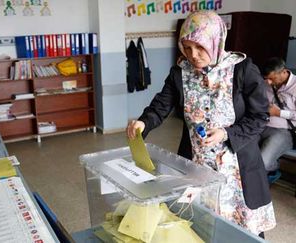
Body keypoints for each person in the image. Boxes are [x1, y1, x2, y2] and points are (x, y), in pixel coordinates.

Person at [126, 11, 276, 237]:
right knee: (200, 225)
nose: (193, 55)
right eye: (186, 48)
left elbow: (259, 117)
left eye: (200, 47)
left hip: (237, 169)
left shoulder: (242, 70)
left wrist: (226, 133)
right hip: (196, 164)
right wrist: (143, 123)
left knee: (245, 231)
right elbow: (160, 107)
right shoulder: (180, 73)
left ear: (216, 41)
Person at [259, 57, 296, 184]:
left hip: (283, 131)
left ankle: (274, 169)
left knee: (263, 162)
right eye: (266, 78)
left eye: (272, 78)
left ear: (284, 72)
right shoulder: (266, 83)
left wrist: (279, 113)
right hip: (261, 125)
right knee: (240, 153)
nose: (268, 82)